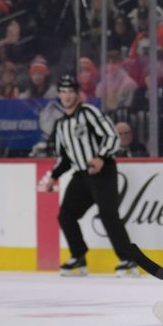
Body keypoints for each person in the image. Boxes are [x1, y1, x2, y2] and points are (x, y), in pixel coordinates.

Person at [40, 75, 138, 277]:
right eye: (63, 91)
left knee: (108, 214)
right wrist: (53, 177)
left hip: (102, 171)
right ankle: (78, 257)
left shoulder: (89, 113)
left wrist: (101, 157)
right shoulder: (61, 125)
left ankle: (127, 260)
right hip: (81, 174)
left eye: (70, 91)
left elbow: (111, 136)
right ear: (59, 94)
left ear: (77, 93)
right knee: (66, 215)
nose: (66, 96)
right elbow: (65, 157)